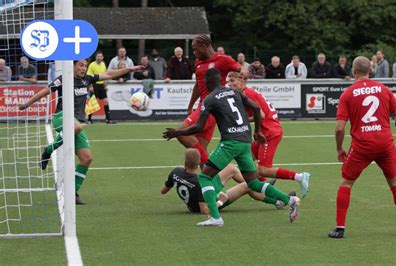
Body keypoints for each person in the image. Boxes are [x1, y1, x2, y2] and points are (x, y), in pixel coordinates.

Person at [163, 68, 300, 227]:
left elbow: (198, 126)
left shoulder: (209, 99)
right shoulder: (233, 92)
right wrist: (257, 131)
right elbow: (256, 108)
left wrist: (177, 132)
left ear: (207, 83)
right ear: (221, 81)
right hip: (245, 141)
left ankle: (215, 218)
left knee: (205, 177)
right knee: (253, 183)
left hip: (230, 143)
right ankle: (290, 200)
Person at [19, 59, 143, 204]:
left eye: (85, 66)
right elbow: (45, 92)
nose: (83, 68)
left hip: (75, 123)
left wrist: (129, 69)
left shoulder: (87, 79)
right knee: (77, 127)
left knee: (86, 159)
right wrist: (27, 104)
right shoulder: (64, 79)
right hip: (61, 117)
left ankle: (73, 192)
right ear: (73, 66)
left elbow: (109, 74)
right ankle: (49, 149)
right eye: (81, 65)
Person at [328, 56, 396, 239]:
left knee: (346, 183)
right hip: (384, 142)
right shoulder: (383, 89)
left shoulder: (348, 94)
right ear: (370, 70)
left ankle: (340, 228)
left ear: (353, 71)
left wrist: (339, 148)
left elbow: (339, 128)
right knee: (395, 181)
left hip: (362, 145)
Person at [228, 71, 311, 196]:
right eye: (229, 82)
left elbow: (260, 115)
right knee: (246, 159)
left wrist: (246, 124)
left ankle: (299, 177)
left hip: (269, 132)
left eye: (232, 81)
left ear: (241, 81)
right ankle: (264, 187)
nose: (230, 84)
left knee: (263, 169)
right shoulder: (245, 93)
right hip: (264, 131)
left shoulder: (247, 93)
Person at [174, 34, 240, 166]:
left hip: (212, 108)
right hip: (202, 107)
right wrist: (190, 105)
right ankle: (252, 183)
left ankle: (212, 168)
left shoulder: (223, 60)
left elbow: (241, 70)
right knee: (200, 150)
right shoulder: (198, 62)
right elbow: (198, 85)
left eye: (195, 49)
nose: (194, 52)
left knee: (180, 133)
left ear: (204, 46)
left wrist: (237, 84)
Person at [161, 149, 288, 214]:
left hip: (196, 191)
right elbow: (204, 210)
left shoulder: (176, 172)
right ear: (199, 162)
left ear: (185, 163)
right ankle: (276, 200)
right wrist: (221, 200)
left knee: (231, 168)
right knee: (247, 186)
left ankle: (256, 183)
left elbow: (163, 191)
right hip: (209, 200)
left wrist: (181, 174)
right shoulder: (200, 183)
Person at [86, 51, 115, 124]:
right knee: (92, 102)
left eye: (100, 56)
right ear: (96, 57)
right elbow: (89, 76)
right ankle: (89, 119)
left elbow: (104, 75)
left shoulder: (103, 64)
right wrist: (90, 86)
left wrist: (105, 85)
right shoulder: (92, 65)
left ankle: (108, 119)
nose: (99, 58)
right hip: (94, 84)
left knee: (105, 101)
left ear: (102, 57)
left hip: (101, 85)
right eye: (98, 56)